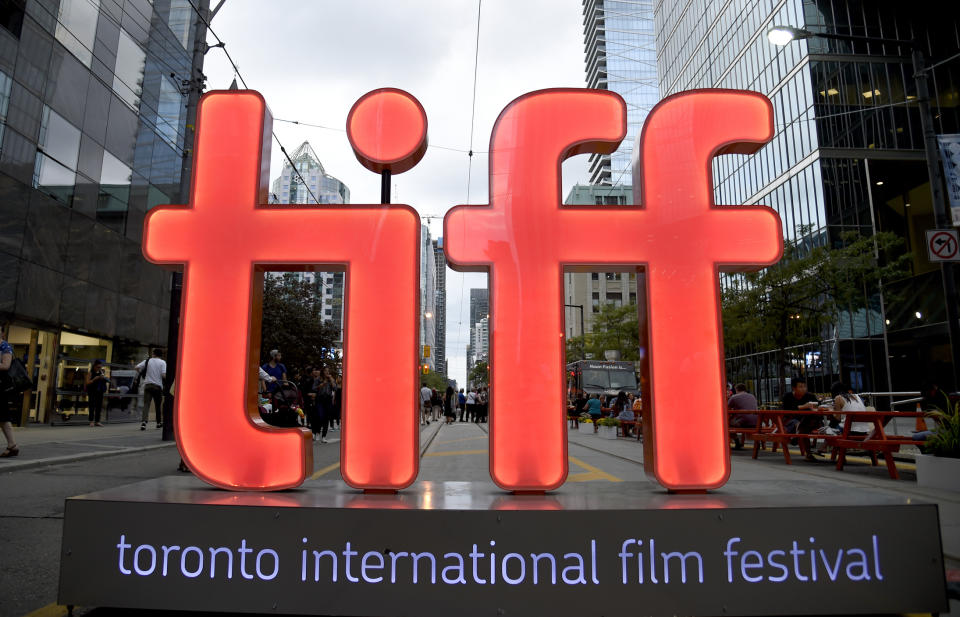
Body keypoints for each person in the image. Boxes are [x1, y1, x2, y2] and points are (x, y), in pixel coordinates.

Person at [781, 377, 820, 461]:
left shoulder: (810, 396)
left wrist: (819, 408)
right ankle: (807, 451)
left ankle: (798, 436)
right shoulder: (787, 396)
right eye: (800, 387)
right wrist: (804, 406)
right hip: (791, 421)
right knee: (799, 424)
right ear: (794, 388)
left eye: (804, 386)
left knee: (808, 424)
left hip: (807, 421)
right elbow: (787, 411)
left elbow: (818, 406)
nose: (803, 389)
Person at [135, 349, 167, 431]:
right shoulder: (162, 362)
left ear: (154, 354)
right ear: (160, 355)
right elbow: (163, 375)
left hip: (148, 385)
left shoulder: (148, 361)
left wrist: (143, 373)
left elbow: (137, 367)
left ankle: (144, 423)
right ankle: (159, 423)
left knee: (146, 404)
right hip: (158, 386)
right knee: (157, 405)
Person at [0, 325, 18, 457]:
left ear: (2, 334)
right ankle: (12, 445)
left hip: (0, 386)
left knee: (3, 417)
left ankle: (12, 445)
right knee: (3, 417)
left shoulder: (5, 347)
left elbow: (6, 365)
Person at [727, 383, 758, 450]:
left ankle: (737, 442)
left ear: (736, 389)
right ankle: (757, 443)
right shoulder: (752, 396)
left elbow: (726, 408)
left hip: (743, 422)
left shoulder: (734, 397)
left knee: (726, 425)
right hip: (756, 422)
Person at [84, 360, 109, 427]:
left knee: (99, 406)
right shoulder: (90, 373)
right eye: (98, 367)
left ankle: (97, 421)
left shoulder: (101, 373)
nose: (99, 368)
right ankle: (91, 421)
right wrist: (94, 379)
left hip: (100, 391)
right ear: (94, 366)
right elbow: (87, 383)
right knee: (92, 406)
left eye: (101, 367)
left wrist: (104, 378)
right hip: (92, 391)